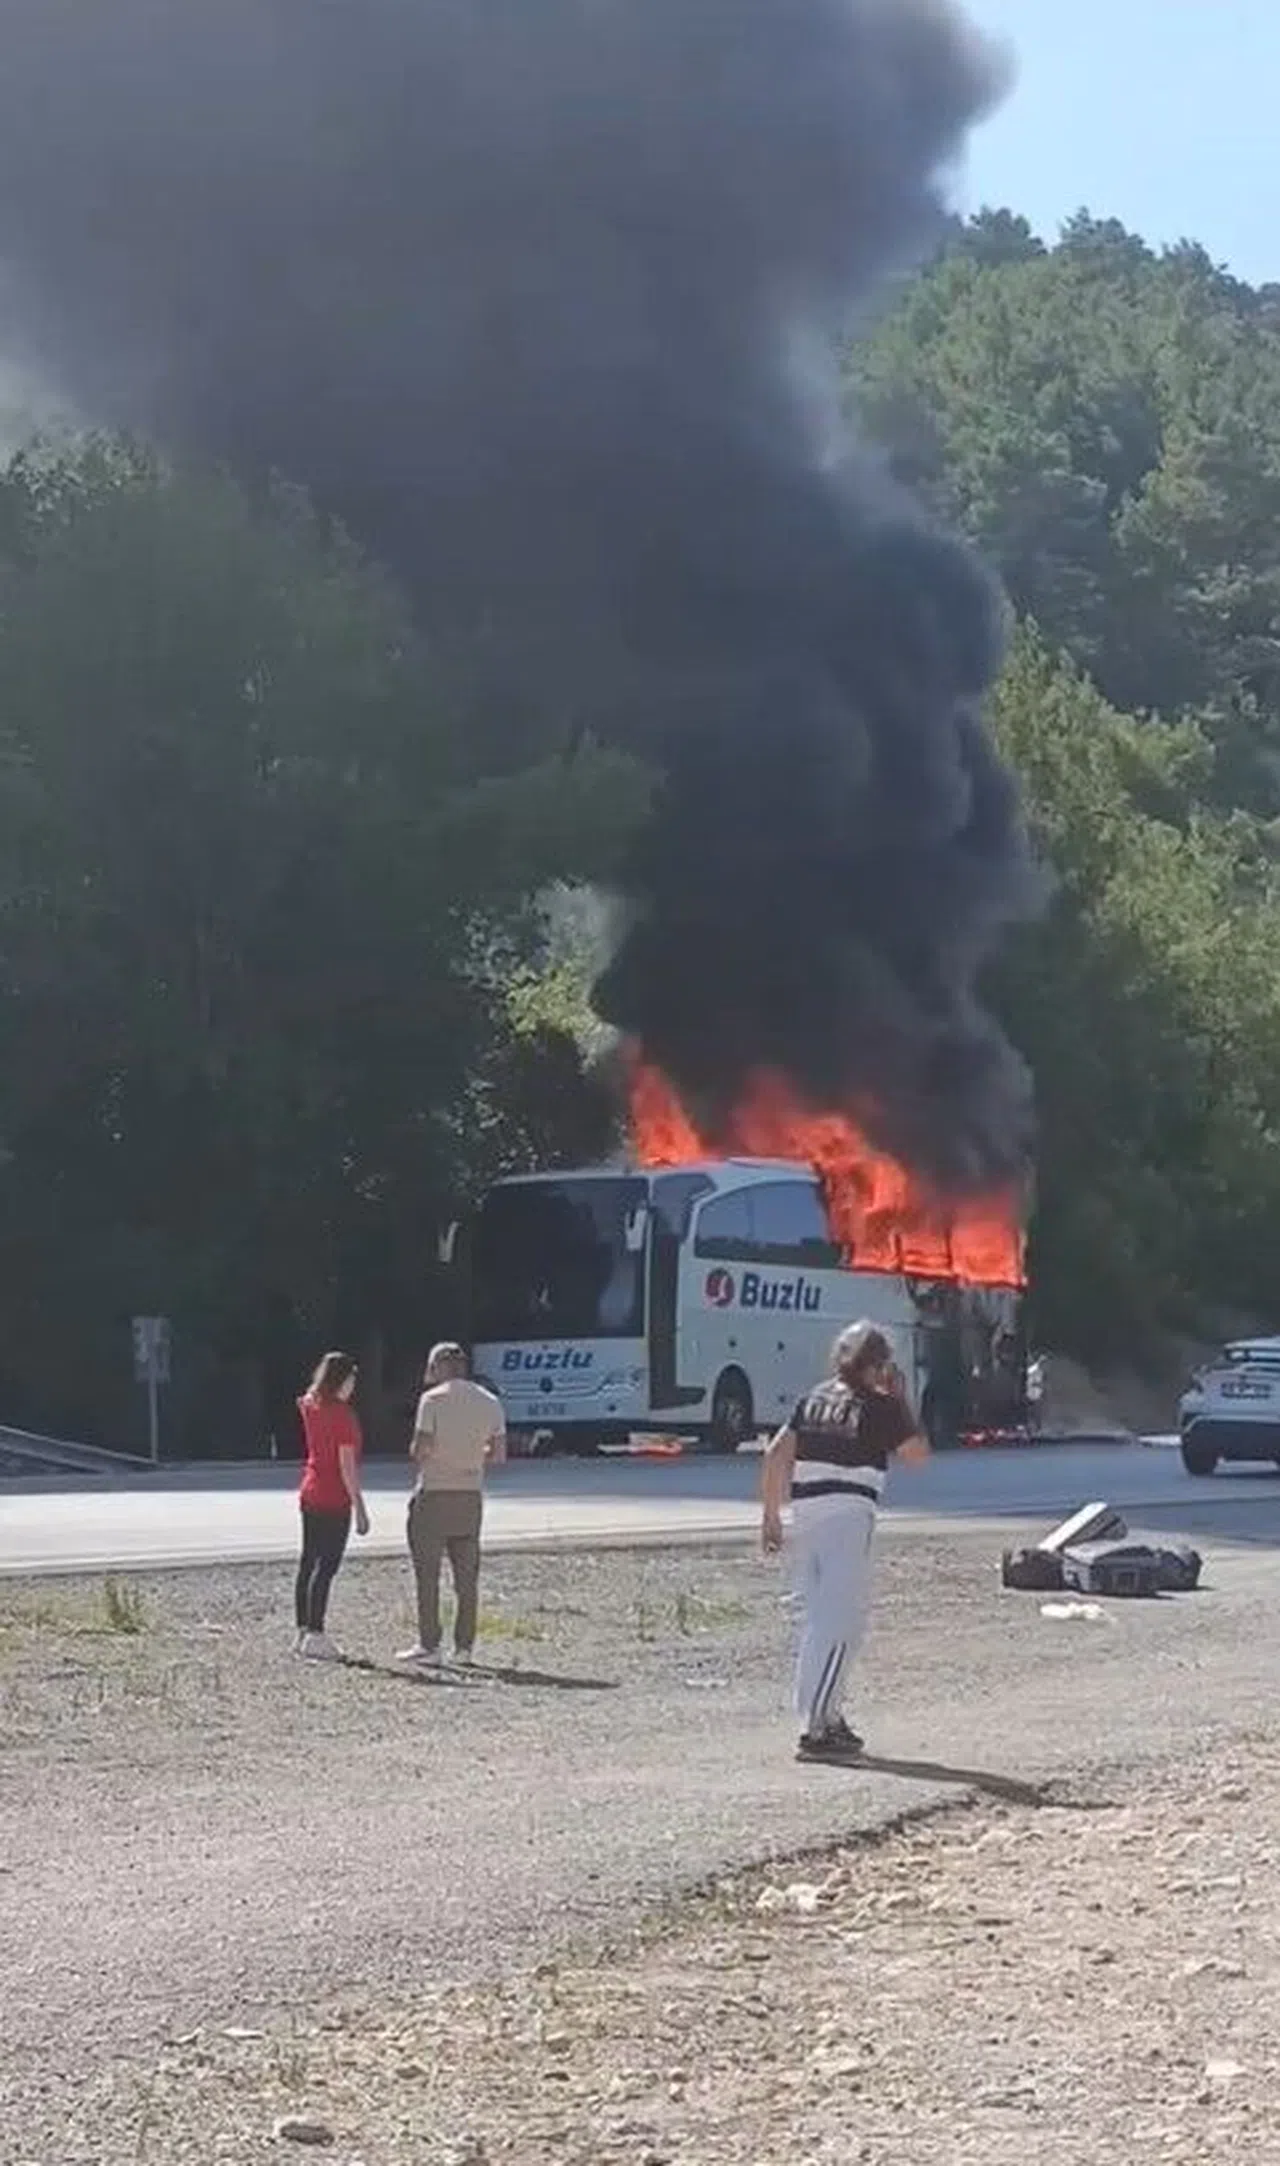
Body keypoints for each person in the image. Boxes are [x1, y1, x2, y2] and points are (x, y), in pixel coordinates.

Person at [761, 1322, 929, 1763]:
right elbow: (916, 1457)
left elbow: (777, 1453)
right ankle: (817, 1728)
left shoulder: (813, 1398)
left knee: (819, 1617)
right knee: (842, 1622)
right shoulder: (881, 1406)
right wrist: (901, 1400)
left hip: (807, 1514)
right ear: (878, 1365)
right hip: (849, 1515)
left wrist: (770, 1517)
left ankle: (824, 1713)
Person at [398, 1342, 506, 1667]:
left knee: (427, 1575)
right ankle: (465, 1647)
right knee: (467, 1577)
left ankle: (430, 1644)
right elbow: (498, 1455)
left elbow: (421, 1448)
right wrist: (471, 1455)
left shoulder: (431, 1401)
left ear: (437, 1367)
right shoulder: (490, 1402)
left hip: (434, 1492)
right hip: (470, 1494)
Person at [295, 1350, 370, 1661]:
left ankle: (302, 1629)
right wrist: (360, 1507)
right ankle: (316, 1632)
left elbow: (305, 1399)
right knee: (328, 1565)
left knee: (308, 1561)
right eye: (351, 1378)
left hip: (310, 1490)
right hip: (333, 1497)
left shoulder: (311, 1405)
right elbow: (346, 1466)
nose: (354, 1385)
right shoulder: (343, 1416)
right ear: (342, 1379)